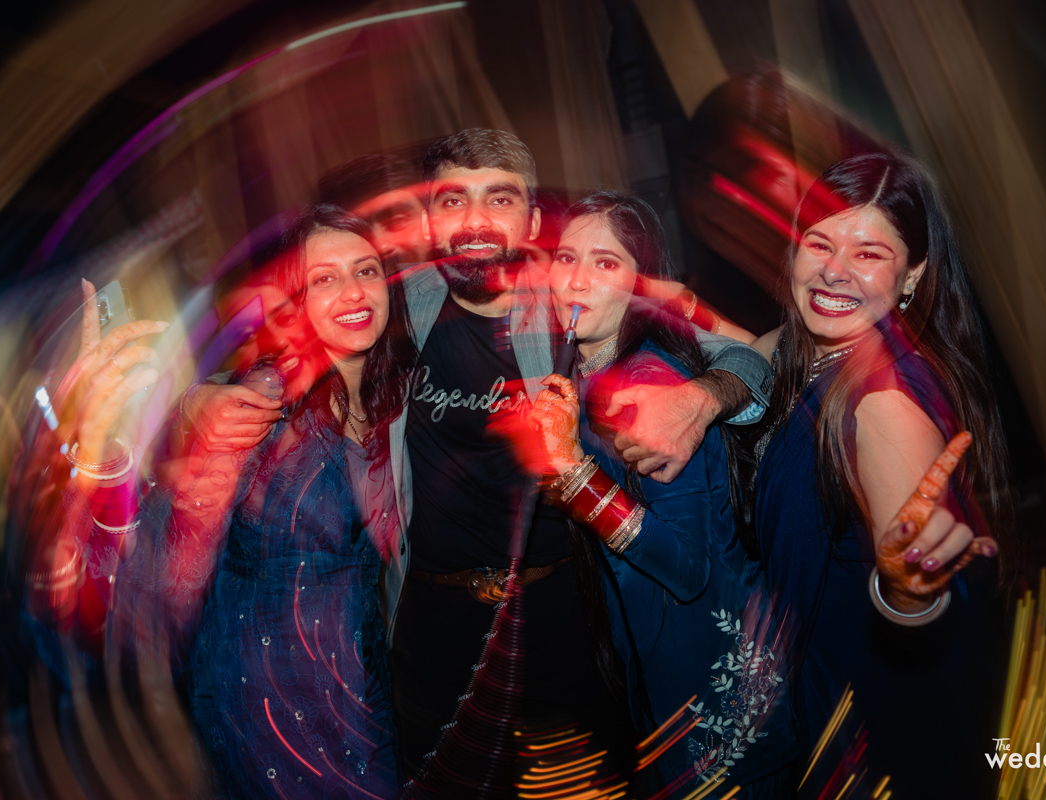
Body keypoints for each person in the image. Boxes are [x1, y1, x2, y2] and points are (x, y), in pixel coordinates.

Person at [187, 130, 775, 782]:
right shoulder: (397, 304)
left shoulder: (571, 299)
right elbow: (300, 344)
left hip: (562, 620)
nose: (474, 222)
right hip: (433, 627)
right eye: (452, 200)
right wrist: (198, 400)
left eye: (498, 199)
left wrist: (702, 398)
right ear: (428, 220)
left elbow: (748, 358)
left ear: (531, 221)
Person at [118, 205, 417, 799]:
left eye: (365, 270)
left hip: (358, 689)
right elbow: (170, 575)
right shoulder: (261, 406)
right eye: (324, 279)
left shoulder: (393, 396)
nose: (353, 292)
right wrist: (187, 414)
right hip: (266, 707)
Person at [748, 152, 1009, 798]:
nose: (834, 269)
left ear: (913, 274)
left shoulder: (882, 402)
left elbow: (928, 603)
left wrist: (909, 593)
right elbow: (750, 350)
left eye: (869, 253)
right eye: (820, 243)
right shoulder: (820, 360)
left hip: (876, 742)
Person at [524, 191, 797, 798]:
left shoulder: (650, 383)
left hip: (718, 698)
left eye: (605, 262)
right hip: (669, 687)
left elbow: (686, 568)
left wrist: (573, 472)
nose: (576, 280)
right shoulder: (586, 374)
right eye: (566, 258)